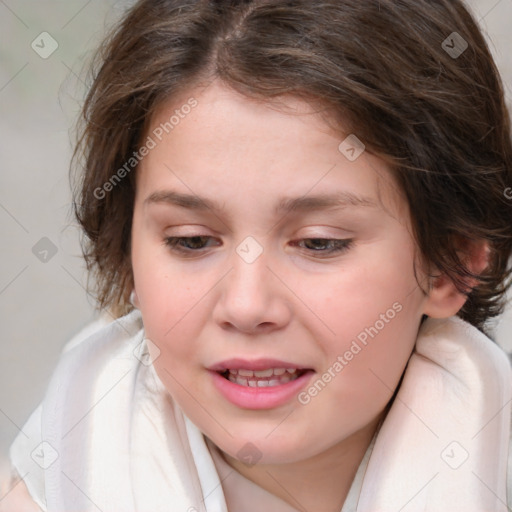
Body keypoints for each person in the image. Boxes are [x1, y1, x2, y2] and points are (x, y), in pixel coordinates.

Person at [2, 0, 512, 510]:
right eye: (191, 241)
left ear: (450, 263)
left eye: (319, 243)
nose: (246, 306)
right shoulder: (59, 481)